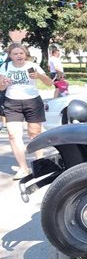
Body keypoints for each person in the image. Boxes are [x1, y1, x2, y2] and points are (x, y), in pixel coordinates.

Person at [0, 43, 53, 179]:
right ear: (10, 56)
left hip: (32, 101)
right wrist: (3, 84)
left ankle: (39, 163)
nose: (19, 56)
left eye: (21, 53)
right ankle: (23, 168)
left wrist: (39, 76)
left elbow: (49, 83)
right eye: (15, 54)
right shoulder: (6, 67)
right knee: (13, 135)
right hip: (12, 103)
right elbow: (0, 88)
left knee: (34, 134)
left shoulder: (32, 66)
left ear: (25, 54)